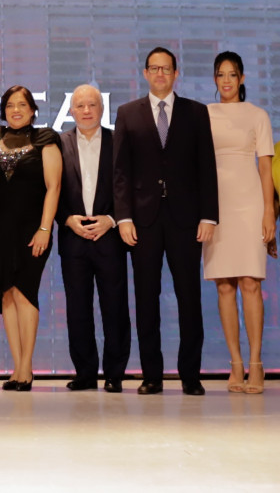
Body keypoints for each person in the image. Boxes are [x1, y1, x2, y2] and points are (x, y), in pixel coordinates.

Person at [113, 46, 218, 396]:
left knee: (190, 298)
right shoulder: (128, 113)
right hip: (142, 220)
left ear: (176, 74)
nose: (160, 74)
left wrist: (209, 215)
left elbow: (206, 167)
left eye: (166, 69)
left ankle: (191, 375)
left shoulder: (195, 112)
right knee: (146, 298)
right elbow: (121, 173)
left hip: (186, 219)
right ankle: (152, 375)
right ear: (145, 73)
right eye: (154, 68)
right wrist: (123, 217)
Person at [0, 85, 61, 391]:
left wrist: (45, 228)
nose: (16, 110)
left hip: (32, 230)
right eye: (10, 105)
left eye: (22, 105)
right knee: (7, 293)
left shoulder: (46, 139)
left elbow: (54, 188)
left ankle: (26, 368)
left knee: (26, 291)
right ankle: (16, 367)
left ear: (32, 109)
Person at [202, 52, 274, 394]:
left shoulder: (258, 115)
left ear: (242, 78)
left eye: (232, 74)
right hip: (216, 207)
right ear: (214, 80)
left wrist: (268, 212)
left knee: (250, 283)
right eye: (221, 75)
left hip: (250, 205)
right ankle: (235, 364)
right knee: (224, 286)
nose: (227, 80)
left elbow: (264, 169)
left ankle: (257, 363)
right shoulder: (204, 114)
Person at [57, 85, 130, 393]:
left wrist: (112, 220)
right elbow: (49, 190)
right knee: (78, 309)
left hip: (109, 236)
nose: (86, 110)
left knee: (115, 307)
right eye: (80, 105)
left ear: (103, 109)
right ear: (70, 110)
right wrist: (66, 219)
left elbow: (130, 186)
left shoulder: (119, 142)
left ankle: (115, 374)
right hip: (73, 237)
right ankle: (85, 373)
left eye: (93, 105)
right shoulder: (58, 143)